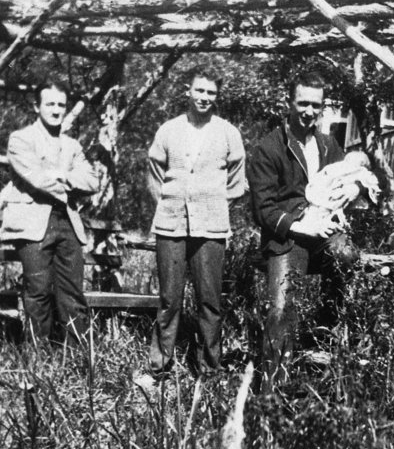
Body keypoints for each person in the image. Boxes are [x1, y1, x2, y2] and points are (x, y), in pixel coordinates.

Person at [248, 71, 363, 390]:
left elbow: (342, 184)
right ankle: (272, 393)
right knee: (281, 311)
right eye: (303, 103)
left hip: (324, 233)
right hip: (288, 238)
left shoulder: (329, 145)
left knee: (349, 257)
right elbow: (264, 210)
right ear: (290, 103)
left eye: (316, 105)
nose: (309, 111)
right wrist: (302, 227)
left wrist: (341, 210)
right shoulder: (269, 147)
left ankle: (325, 346)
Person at [147, 68, 247, 377]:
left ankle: (209, 369)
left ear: (218, 96)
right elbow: (154, 174)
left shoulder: (228, 133)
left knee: (209, 300)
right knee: (169, 299)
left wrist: (212, 204)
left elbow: (237, 181)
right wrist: (171, 203)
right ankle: (159, 368)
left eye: (211, 93)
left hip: (211, 227)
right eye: (199, 91)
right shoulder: (168, 130)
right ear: (188, 91)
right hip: (170, 225)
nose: (204, 98)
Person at [0, 82, 102, 346]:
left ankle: (78, 360)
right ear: (37, 106)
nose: (56, 110)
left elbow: (92, 182)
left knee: (72, 293)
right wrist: (70, 182)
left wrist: (62, 175)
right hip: (34, 224)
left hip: (68, 222)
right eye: (50, 104)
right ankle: (38, 362)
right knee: (38, 291)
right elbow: (36, 178)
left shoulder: (72, 145)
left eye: (61, 105)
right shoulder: (20, 140)